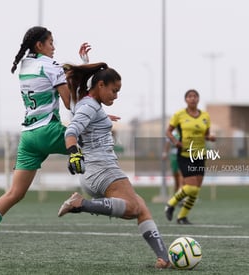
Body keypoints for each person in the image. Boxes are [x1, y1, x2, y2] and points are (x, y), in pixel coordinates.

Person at [0, 26, 91, 267]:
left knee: (14, 194)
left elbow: (52, 77)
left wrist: (77, 68)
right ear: (39, 45)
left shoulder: (25, 65)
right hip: (48, 131)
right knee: (93, 142)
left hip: (28, 137)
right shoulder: (51, 65)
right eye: (51, 42)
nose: (54, 46)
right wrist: (83, 74)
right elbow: (69, 104)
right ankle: (95, 189)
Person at [57, 62, 171, 269]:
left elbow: (84, 115)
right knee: (132, 208)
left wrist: (103, 118)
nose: (116, 96)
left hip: (96, 171)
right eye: (114, 90)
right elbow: (71, 131)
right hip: (101, 168)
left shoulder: (88, 103)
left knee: (141, 207)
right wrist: (73, 154)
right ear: (100, 85)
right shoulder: (90, 105)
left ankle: (163, 258)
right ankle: (80, 204)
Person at [164, 89, 215, 224]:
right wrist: (176, 142)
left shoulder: (205, 116)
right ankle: (171, 204)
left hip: (200, 155)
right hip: (185, 154)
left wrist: (210, 137)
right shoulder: (179, 115)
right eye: (190, 96)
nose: (192, 99)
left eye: (195, 96)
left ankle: (182, 217)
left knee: (196, 190)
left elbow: (206, 134)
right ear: (185, 99)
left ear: (198, 99)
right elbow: (168, 132)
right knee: (191, 187)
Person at [162, 129, 183, 195]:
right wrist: (165, 153)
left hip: (183, 156)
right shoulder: (172, 133)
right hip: (174, 157)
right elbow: (167, 144)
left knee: (181, 174)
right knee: (176, 177)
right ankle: (176, 194)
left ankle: (181, 192)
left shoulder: (185, 132)